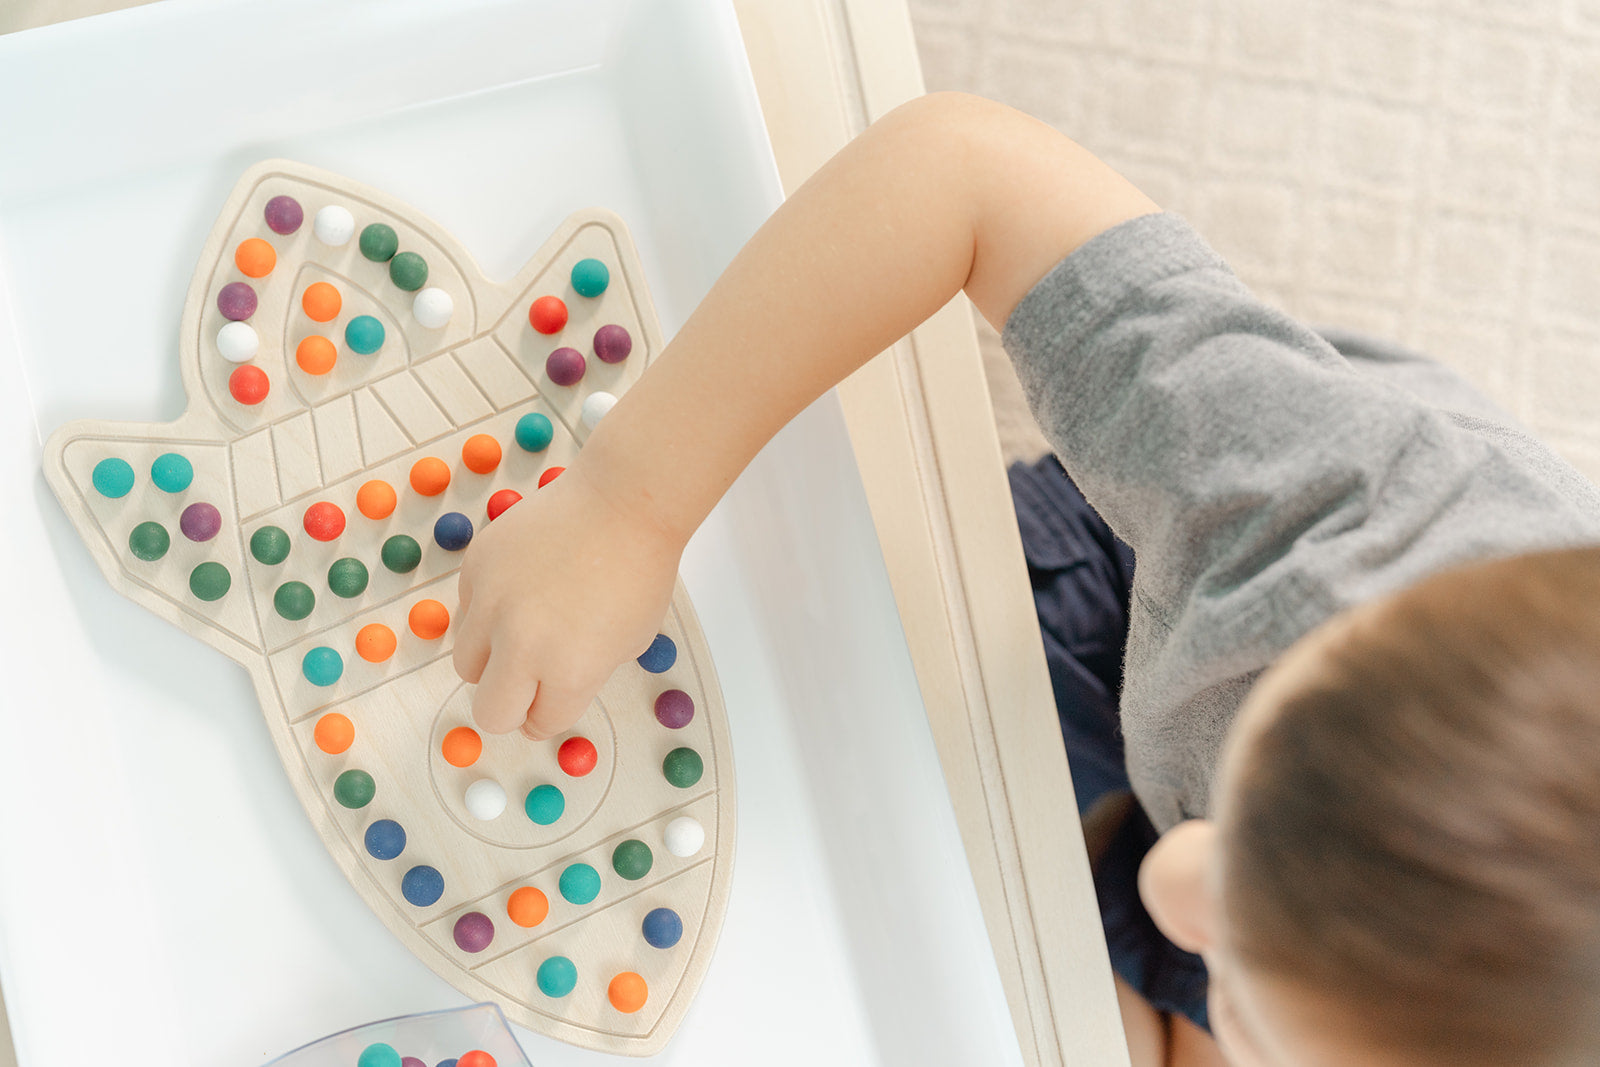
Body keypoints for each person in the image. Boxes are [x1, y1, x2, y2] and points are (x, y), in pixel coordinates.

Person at [451, 92, 1600, 1065]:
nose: (1176, 887)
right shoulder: (1298, 490)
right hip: (1147, 577)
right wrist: (627, 502)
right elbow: (958, 169)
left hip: (1322, 863)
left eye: (1260, 1009)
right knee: (821, 700)